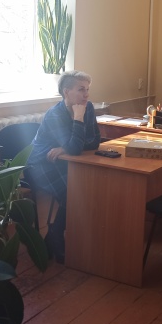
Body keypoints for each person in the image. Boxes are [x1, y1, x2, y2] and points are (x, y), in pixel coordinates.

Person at [27, 70, 100, 264]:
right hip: (41, 163)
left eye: (87, 89)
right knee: (73, 193)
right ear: (66, 92)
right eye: (81, 89)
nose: (86, 95)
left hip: (63, 159)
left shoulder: (88, 107)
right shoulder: (55, 114)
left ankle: (54, 233)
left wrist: (64, 148)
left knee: (85, 188)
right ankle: (56, 235)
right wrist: (78, 119)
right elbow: (76, 148)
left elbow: (94, 141)